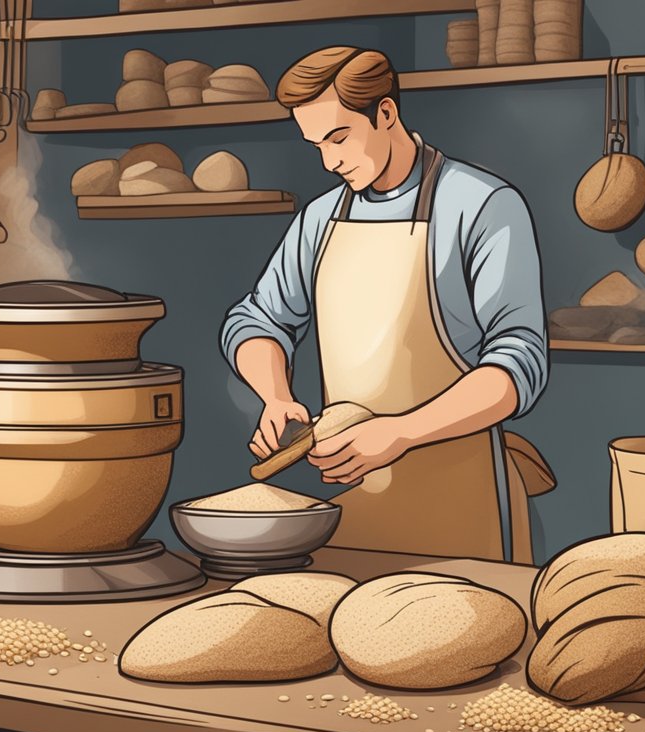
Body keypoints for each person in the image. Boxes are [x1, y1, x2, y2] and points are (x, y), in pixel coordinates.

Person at [219, 46, 549, 562]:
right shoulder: (320, 219)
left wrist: (401, 432)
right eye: (316, 146)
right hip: (353, 508)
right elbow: (257, 319)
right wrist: (276, 395)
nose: (330, 162)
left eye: (339, 137)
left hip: (457, 509)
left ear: (387, 113)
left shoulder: (482, 205)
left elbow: (517, 365)